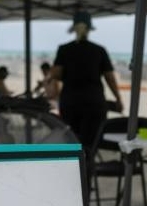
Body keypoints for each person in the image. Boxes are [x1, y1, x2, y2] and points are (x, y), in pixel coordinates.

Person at [51, 11, 124, 186]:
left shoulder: (64, 49)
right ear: (89, 29)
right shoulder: (98, 50)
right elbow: (110, 78)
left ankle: (72, 183)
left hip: (70, 102)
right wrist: (118, 98)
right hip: (94, 103)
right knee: (90, 147)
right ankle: (86, 183)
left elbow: (57, 74)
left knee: (71, 144)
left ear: (73, 29)